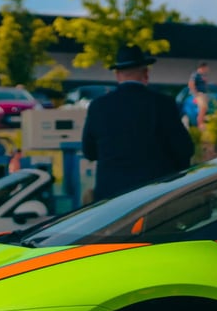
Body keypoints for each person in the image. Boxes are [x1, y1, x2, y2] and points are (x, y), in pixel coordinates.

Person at [81, 44, 195, 201]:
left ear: (118, 75)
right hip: (154, 195)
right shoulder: (163, 104)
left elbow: (89, 152)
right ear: (146, 73)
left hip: (110, 196)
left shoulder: (98, 106)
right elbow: (184, 149)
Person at [188, 61, 210, 129]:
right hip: (199, 94)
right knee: (202, 108)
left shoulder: (202, 75)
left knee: (204, 109)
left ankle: (202, 123)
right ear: (203, 67)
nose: (207, 69)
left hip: (204, 94)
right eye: (206, 67)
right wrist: (195, 94)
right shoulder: (195, 74)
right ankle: (200, 124)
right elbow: (191, 83)